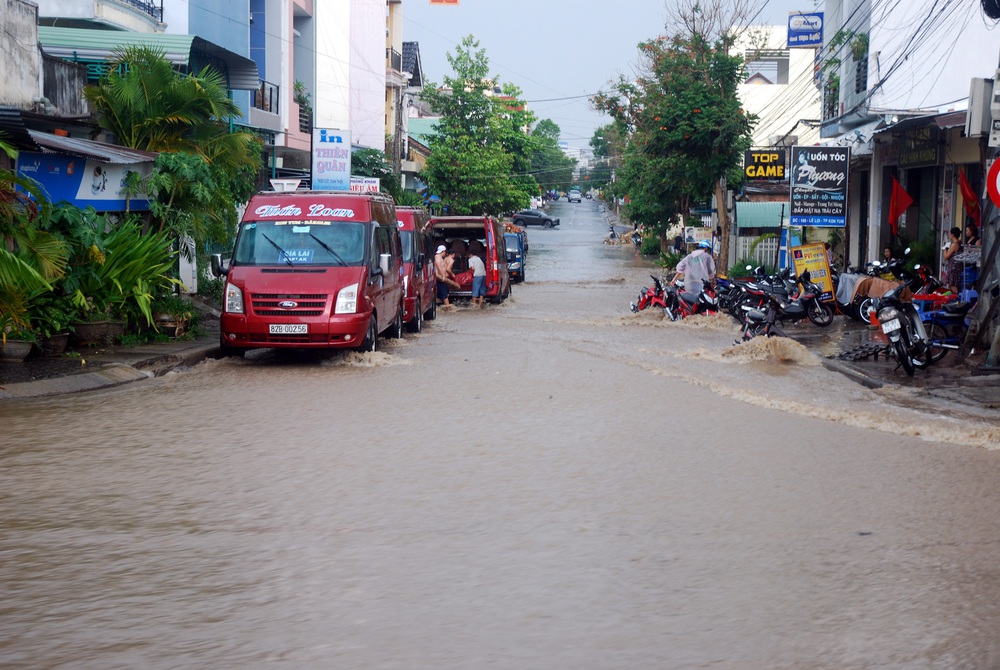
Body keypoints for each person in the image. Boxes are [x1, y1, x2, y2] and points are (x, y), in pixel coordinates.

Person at [943, 226, 963, 294]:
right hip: (958, 267)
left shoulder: (954, 244)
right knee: (956, 284)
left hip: (953, 267)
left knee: (953, 285)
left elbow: (946, 257)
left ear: (952, 235)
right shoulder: (961, 243)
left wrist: (945, 249)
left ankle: (956, 298)